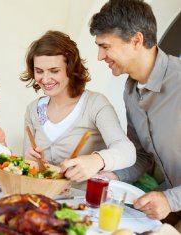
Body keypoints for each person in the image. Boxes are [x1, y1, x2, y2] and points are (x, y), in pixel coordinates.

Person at [89, 0, 181, 229]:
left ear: (136, 40)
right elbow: (140, 156)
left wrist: (171, 199)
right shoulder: (131, 92)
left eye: (106, 46)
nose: (100, 56)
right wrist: (111, 176)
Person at [20, 30, 136, 186]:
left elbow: (127, 151)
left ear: (70, 68)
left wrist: (97, 160)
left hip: (83, 204)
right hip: (42, 198)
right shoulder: (33, 109)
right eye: (39, 71)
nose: (45, 79)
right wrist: (30, 160)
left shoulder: (95, 104)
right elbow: (26, 166)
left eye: (54, 71)